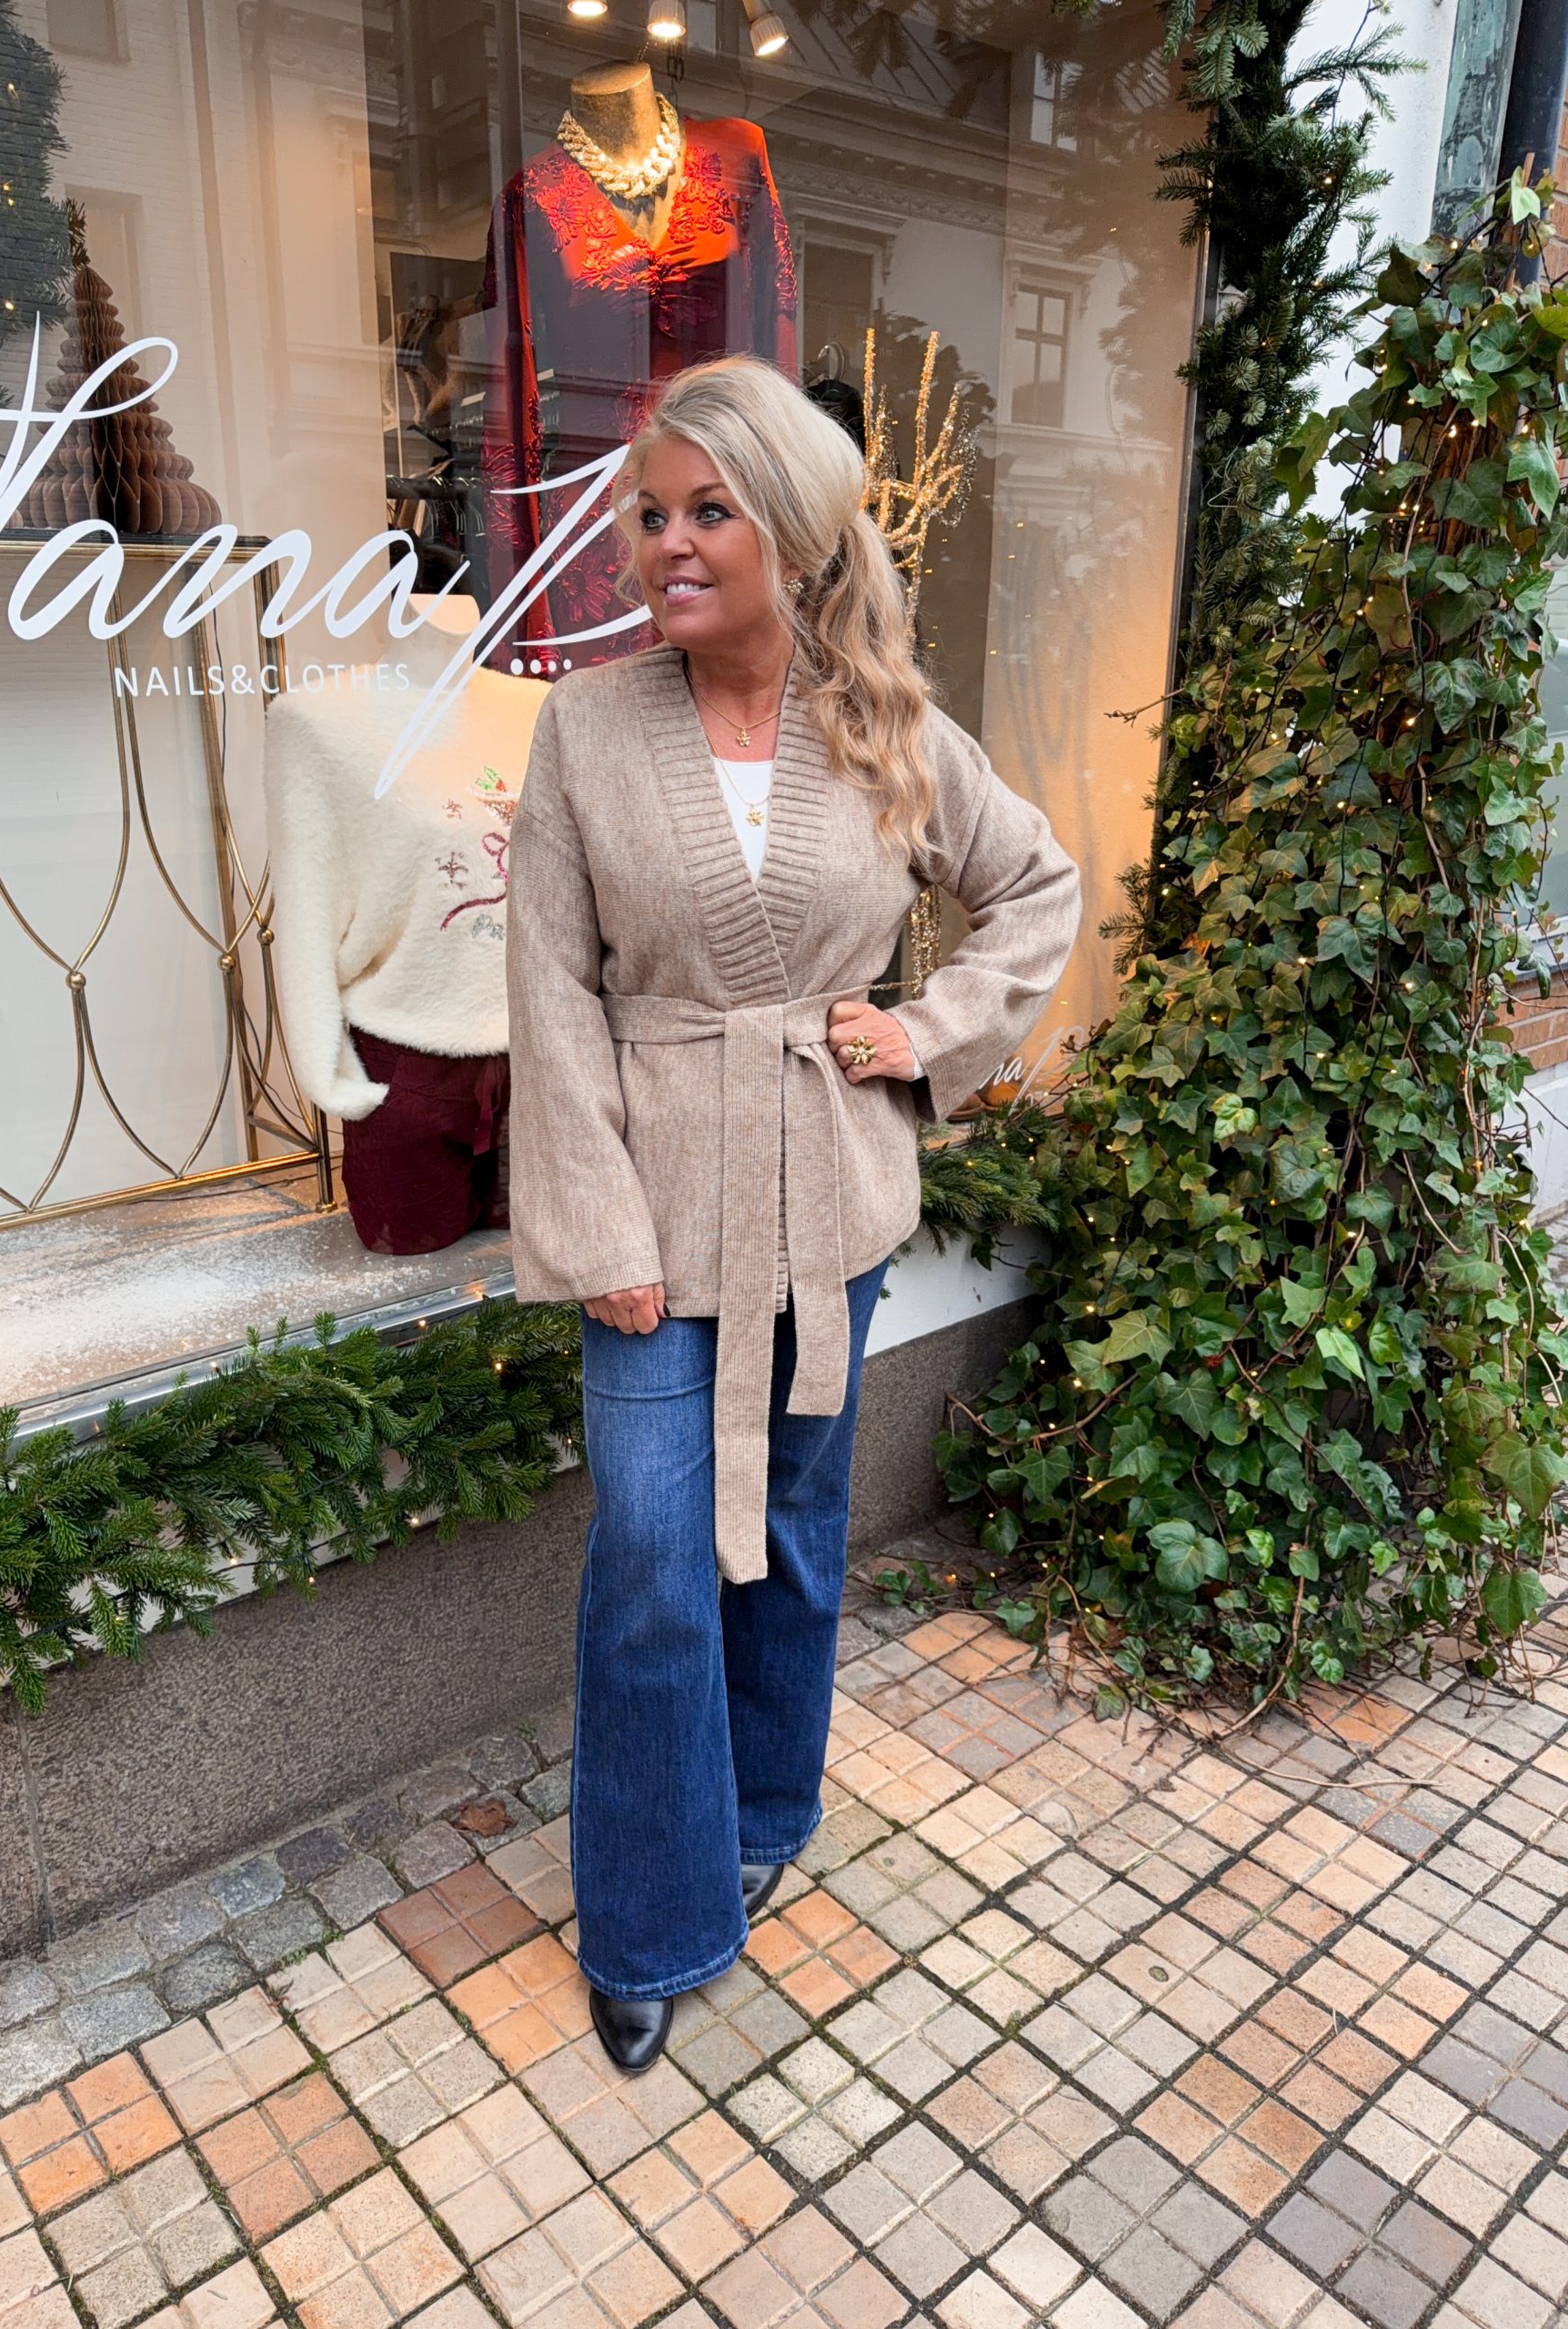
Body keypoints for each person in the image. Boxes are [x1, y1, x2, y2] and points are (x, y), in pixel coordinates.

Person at [503, 354, 1082, 2072]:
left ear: (798, 532)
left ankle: (765, 1809)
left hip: (828, 1202)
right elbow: (552, 990)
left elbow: (1036, 888)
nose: (666, 544)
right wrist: (599, 1230)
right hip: (654, 1215)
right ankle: (653, 1916)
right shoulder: (586, 727)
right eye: (650, 513)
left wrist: (925, 1032)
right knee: (651, 1562)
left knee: (798, 1539)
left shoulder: (884, 730)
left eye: (709, 511)